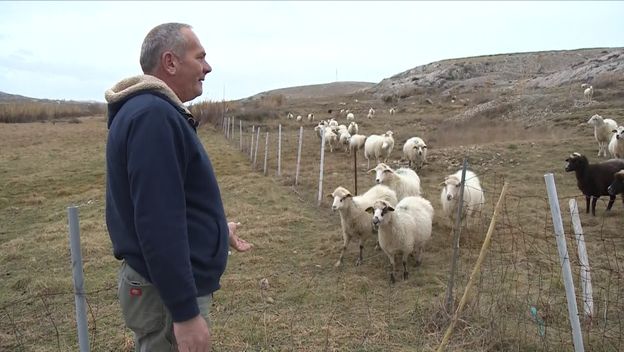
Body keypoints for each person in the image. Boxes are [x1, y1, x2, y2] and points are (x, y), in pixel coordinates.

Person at [104, 23, 251, 351]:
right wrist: (184, 313)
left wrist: (213, 230)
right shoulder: (153, 118)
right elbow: (157, 223)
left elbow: (164, 202)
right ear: (170, 63)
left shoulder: (151, 113)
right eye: (200, 58)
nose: (208, 68)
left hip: (162, 290)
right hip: (165, 299)